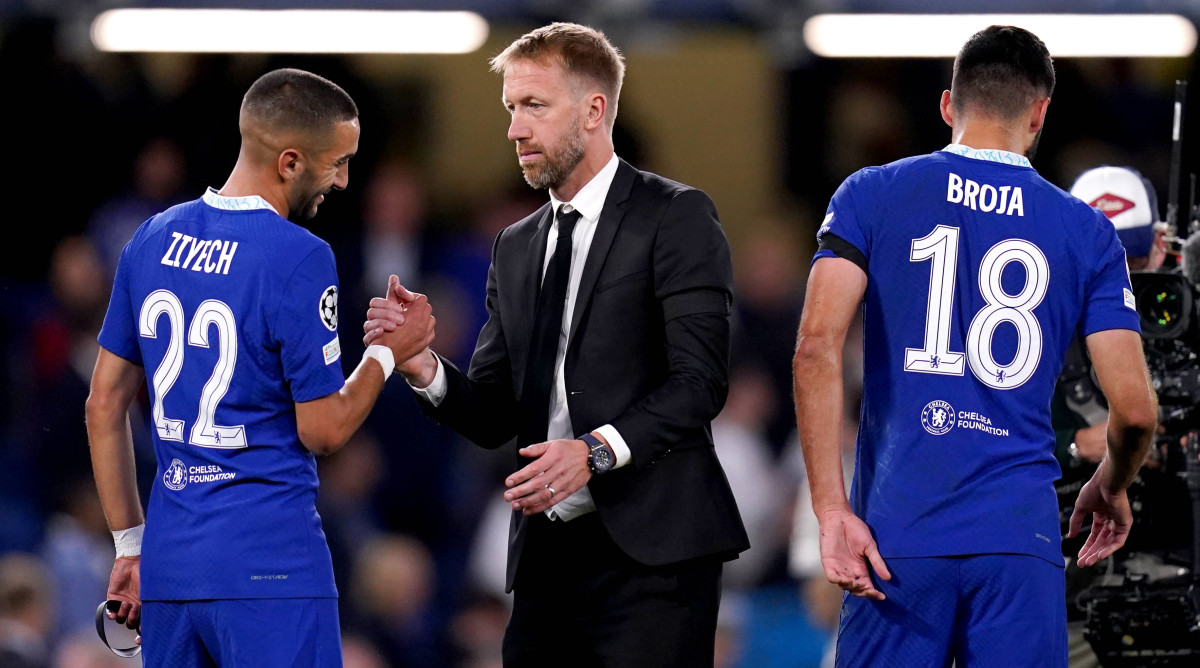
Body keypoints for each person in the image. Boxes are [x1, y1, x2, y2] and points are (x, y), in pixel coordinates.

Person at [364, 22, 749, 667]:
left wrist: (595, 451)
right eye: (511, 108)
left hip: (655, 558)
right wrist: (422, 363)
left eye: (534, 106)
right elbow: (492, 412)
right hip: (548, 560)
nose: (515, 128)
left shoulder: (675, 215)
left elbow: (700, 381)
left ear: (595, 110)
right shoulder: (514, 246)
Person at [792, 25, 1158, 667]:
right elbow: (1136, 412)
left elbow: (815, 349)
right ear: (1042, 112)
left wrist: (830, 509)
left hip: (896, 539)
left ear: (946, 105)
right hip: (1021, 541)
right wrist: (1112, 482)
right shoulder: (1087, 233)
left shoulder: (871, 193)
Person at [86, 68, 435, 667]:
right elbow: (322, 430)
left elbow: (102, 405)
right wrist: (387, 352)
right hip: (271, 567)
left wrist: (128, 547)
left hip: (171, 568)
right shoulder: (299, 255)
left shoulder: (150, 238)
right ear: (291, 162)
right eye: (338, 162)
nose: (345, 180)